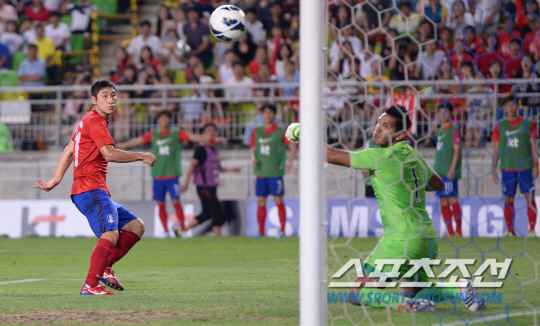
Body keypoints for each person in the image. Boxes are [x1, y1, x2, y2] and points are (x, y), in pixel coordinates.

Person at [292, 105, 484, 312]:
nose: (378, 129)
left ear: (400, 135)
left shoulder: (379, 156)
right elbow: (437, 184)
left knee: (357, 293)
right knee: (418, 292)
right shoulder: (411, 152)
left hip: (401, 239)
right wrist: (407, 180)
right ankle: (459, 288)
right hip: (426, 237)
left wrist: (304, 133)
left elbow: (330, 154)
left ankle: (404, 305)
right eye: (378, 123)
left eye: (386, 126)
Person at [33, 80, 156, 295]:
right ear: (94, 100)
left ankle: (105, 267)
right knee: (110, 233)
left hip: (91, 190)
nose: (111, 100)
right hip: (90, 189)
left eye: (113, 95)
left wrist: (56, 179)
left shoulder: (86, 121)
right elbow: (108, 153)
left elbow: (70, 149)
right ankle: (90, 285)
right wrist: (141, 155)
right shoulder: (96, 121)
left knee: (136, 226)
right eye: (105, 96)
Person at [116, 111, 227, 237]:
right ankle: (165, 231)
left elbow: (194, 137)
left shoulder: (176, 133)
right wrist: (124, 145)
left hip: (172, 175)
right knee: (161, 204)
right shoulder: (154, 134)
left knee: (176, 203)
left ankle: (183, 230)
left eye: (166, 118)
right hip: (158, 175)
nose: (164, 120)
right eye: (161, 118)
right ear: (158, 120)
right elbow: (138, 140)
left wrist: (214, 139)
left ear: (169, 120)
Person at [180, 123, 241, 237]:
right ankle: (218, 238)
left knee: (206, 213)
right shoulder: (201, 149)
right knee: (216, 212)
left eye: (214, 130)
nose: (212, 133)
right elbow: (192, 166)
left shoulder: (214, 150)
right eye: (208, 130)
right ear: (203, 134)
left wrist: (232, 169)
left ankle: (180, 231)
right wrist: (186, 183)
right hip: (204, 187)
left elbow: (218, 168)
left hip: (212, 186)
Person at [492, 95, 538, 237]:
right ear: (504, 108)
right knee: (508, 198)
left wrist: (536, 164)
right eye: (507, 105)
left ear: (517, 106)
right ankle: (510, 231)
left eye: (512, 105)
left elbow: (533, 144)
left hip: (526, 166)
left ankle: (531, 230)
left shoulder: (528, 123)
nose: (510, 108)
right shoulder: (499, 125)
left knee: (529, 197)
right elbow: (496, 147)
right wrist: (493, 168)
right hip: (507, 167)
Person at [250, 104, 297, 238]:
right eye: (265, 112)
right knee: (260, 200)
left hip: (275, 171)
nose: (268, 115)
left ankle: (282, 231)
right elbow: (252, 147)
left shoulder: (281, 131)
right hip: (261, 171)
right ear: (262, 114)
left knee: (278, 200)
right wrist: (253, 158)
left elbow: (293, 147)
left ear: (274, 114)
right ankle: (261, 232)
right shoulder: (257, 130)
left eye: (270, 112)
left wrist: (289, 162)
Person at [433, 103, 462, 237]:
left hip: (448, 171)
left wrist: (452, 169)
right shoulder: (440, 131)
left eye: (445, 111)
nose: (442, 114)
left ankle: (459, 231)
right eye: (440, 111)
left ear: (450, 113)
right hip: (439, 171)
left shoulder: (454, 128)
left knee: (452, 199)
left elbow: (457, 150)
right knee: (442, 200)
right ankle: (450, 231)